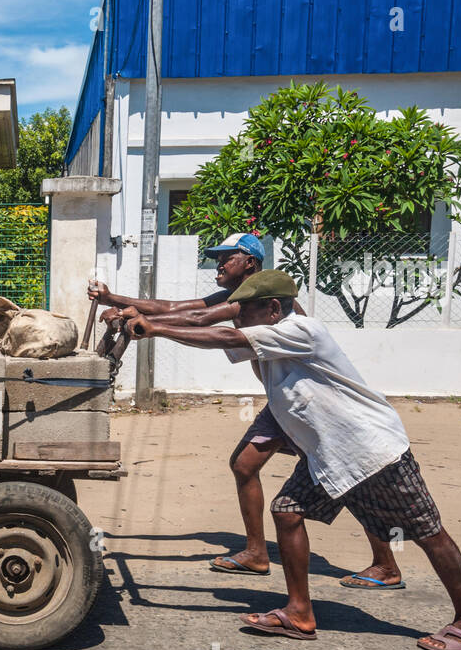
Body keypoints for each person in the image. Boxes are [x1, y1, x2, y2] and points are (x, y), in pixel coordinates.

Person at [122, 270, 461, 650]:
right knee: (287, 511)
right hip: (329, 456)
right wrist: (144, 320)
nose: (237, 318)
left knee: (427, 533)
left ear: (271, 308)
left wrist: (153, 329)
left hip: (370, 450)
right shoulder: (266, 335)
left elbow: (224, 335)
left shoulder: (302, 330)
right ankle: (300, 612)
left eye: (243, 310)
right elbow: (209, 325)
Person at [91, 233, 402, 588]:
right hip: (285, 403)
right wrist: (116, 300)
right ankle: (256, 553)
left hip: (311, 404)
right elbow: (179, 308)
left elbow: (194, 319)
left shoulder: (258, 300)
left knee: (348, 477)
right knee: (245, 464)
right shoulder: (239, 297)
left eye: (227, 257)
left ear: (250, 263)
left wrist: (147, 323)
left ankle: (386, 564)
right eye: (217, 257)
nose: (219, 264)